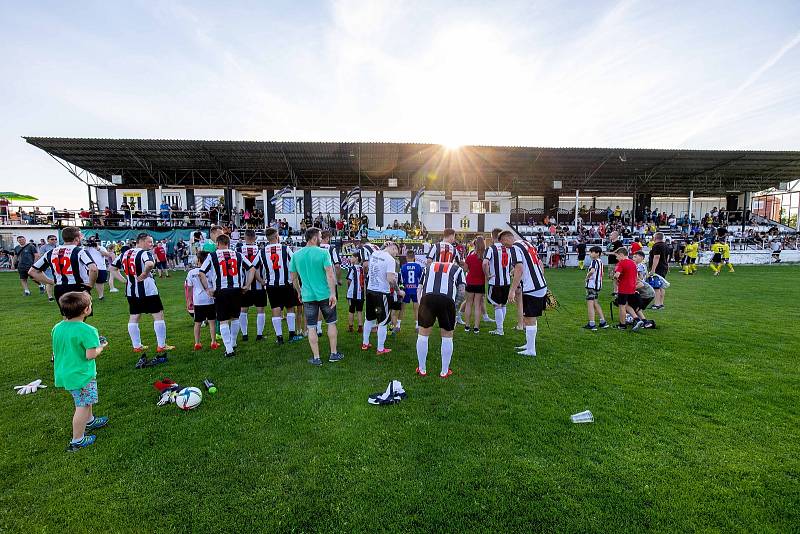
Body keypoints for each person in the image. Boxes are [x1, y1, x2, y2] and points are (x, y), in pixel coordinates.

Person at [52, 291, 108, 452]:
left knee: (85, 400)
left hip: (65, 372)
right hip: (81, 375)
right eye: (90, 305)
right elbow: (90, 355)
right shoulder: (88, 330)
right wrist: (100, 347)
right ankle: (77, 439)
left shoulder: (57, 327)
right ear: (86, 310)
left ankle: (89, 420)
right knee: (82, 405)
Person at [110, 232, 174, 367]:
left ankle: (137, 346)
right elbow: (150, 264)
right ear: (141, 241)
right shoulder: (145, 253)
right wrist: (145, 273)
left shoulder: (124, 254)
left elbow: (112, 268)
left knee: (134, 316)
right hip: (149, 290)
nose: (151, 245)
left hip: (131, 291)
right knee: (158, 315)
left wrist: (125, 281)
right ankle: (161, 345)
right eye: (149, 242)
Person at [289, 227, 343, 365]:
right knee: (331, 323)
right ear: (314, 238)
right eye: (319, 236)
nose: (321, 239)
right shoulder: (323, 253)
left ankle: (317, 357)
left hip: (308, 296)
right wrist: (332, 293)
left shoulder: (296, 255)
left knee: (311, 327)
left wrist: (299, 292)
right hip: (325, 294)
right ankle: (333, 354)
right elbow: (330, 274)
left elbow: (293, 278)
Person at [198, 234, 255, 358]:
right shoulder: (238, 255)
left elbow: (201, 273)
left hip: (221, 291)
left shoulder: (212, 256)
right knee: (235, 317)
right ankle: (233, 342)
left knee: (223, 320)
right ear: (228, 243)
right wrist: (247, 285)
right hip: (236, 290)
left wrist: (207, 289)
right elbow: (251, 268)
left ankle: (229, 349)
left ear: (218, 244)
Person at [415, 259, 466, 378]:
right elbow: (462, 291)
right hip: (447, 299)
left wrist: (420, 303)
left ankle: (422, 369)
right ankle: (444, 371)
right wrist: (455, 308)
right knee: (447, 335)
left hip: (427, 298)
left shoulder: (428, 266)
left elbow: (419, 288)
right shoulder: (457, 269)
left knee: (423, 334)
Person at [502, 231, 548, 357]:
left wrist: (512, 290)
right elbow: (539, 263)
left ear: (507, 238)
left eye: (504, 243)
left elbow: (520, 268)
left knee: (529, 318)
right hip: (540, 284)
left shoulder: (514, 247)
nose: (504, 246)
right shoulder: (527, 243)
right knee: (531, 317)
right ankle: (529, 345)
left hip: (532, 288)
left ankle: (531, 350)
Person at [29, 226, 98, 309]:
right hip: (78, 287)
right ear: (76, 238)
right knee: (80, 316)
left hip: (60, 288)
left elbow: (32, 272)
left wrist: (52, 282)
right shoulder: (80, 251)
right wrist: (90, 285)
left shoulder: (50, 253)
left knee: (66, 316)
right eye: (80, 236)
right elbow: (93, 269)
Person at [257, 228, 303, 344]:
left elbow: (253, 267)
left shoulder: (262, 251)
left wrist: (262, 280)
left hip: (271, 285)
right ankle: (292, 335)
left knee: (275, 310)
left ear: (267, 238)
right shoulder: (285, 248)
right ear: (277, 236)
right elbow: (295, 262)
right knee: (290, 308)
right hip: (286, 283)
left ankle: (279, 338)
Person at [362, 241, 401, 355]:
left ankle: (365, 343)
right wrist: (399, 290)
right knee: (383, 321)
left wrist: (385, 245)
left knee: (369, 318)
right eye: (396, 252)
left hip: (370, 292)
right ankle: (380, 348)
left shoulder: (374, 254)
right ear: (393, 248)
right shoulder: (390, 260)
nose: (396, 255)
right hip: (381, 294)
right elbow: (391, 279)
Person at [237, 229, 267, 341]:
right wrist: (262, 281)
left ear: (244, 238)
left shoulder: (238, 250)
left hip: (244, 286)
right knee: (260, 310)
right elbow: (256, 268)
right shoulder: (260, 251)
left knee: (243, 310)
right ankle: (259, 335)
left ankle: (245, 335)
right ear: (255, 238)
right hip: (259, 286)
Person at [186, 251, 219, 351]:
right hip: (210, 300)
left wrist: (189, 300)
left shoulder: (191, 272)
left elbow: (189, 288)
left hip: (198, 301)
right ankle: (213, 342)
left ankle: (197, 343)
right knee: (212, 322)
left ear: (199, 260)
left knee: (198, 322)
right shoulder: (211, 271)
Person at [483, 228, 512, 336]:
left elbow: (485, 263)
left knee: (497, 306)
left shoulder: (491, 248)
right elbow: (515, 263)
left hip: (495, 281)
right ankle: (501, 327)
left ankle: (500, 329)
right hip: (506, 281)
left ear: (492, 236)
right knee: (503, 305)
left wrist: (487, 275)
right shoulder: (509, 248)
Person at [612, 247, 644, 331]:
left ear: (621, 255)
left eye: (617, 256)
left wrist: (615, 279)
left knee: (622, 306)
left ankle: (622, 325)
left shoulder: (621, 263)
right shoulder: (633, 263)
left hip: (623, 288)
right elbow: (636, 276)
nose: (616, 258)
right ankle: (637, 319)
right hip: (632, 288)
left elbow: (617, 275)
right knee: (627, 305)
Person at [317, 230, 342, 336]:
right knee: (332, 303)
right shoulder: (331, 248)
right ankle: (331, 326)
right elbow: (337, 265)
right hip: (330, 281)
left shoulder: (315, 248)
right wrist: (339, 279)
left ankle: (318, 328)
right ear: (327, 238)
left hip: (317, 281)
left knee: (318, 305)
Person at [463, 236, 486, 333]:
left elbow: (465, 269)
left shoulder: (469, 257)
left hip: (470, 282)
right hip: (480, 283)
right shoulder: (484, 257)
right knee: (478, 305)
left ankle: (467, 326)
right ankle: (476, 327)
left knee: (468, 304)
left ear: (474, 244)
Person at [583, 246, 609, 331]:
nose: (590, 254)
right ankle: (602, 322)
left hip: (591, 285)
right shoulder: (601, 262)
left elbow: (592, 271)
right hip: (597, 285)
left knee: (590, 304)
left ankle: (592, 323)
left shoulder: (594, 261)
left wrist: (587, 277)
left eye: (592, 252)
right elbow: (602, 273)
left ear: (597, 253)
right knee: (595, 303)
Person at [400, 250, 424, 331]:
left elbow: (401, 279)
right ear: (414, 257)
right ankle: (417, 325)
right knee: (416, 307)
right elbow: (421, 278)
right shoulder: (418, 266)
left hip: (406, 289)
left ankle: (398, 325)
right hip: (415, 289)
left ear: (406, 257)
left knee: (402, 307)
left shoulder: (403, 266)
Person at [648, 232, 668, 309]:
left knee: (656, 286)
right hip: (663, 267)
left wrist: (653, 270)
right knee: (661, 286)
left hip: (658, 268)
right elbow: (667, 257)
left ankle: (657, 305)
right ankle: (661, 303)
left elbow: (657, 257)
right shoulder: (665, 245)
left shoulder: (657, 245)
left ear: (656, 237)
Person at [346, 252, 365, 332]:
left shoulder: (352, 268)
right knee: (359, 310)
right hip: (361, 293)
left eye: (352, 257)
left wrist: (349, 288)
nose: (350, 258)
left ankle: (350, 327)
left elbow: (349, 280)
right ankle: (360, 327)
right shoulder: (363, 268)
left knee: (351, 310)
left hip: (352, 294)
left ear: (356, 258)